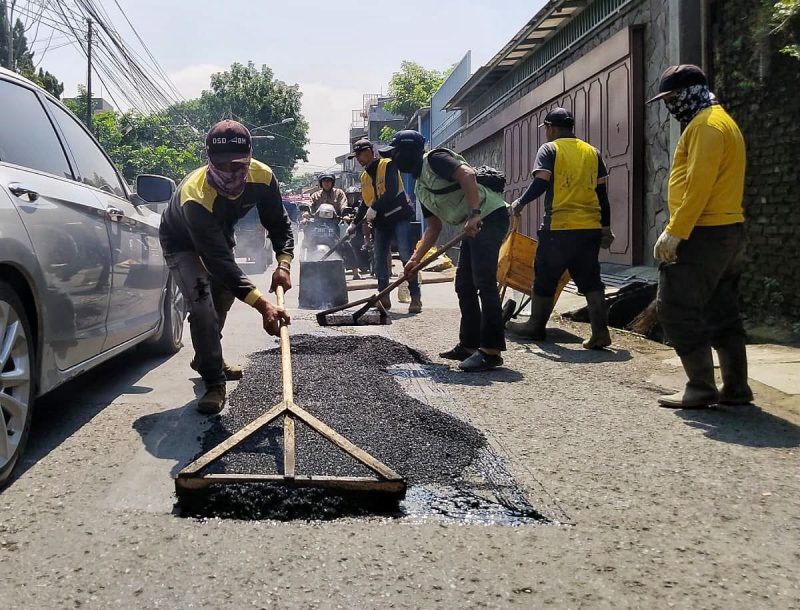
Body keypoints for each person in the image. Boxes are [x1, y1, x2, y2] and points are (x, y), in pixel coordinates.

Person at [159, 120, 293, 415]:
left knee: (223, 299)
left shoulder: (263, 177)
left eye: (237, 166)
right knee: (202, 303)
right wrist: (263, 306)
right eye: (221, 166)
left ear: (249, 158)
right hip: (181, 241)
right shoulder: (195, 195)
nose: (229, 174)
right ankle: (213, 383)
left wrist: (283, 263)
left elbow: (278, 222)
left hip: (218, 234)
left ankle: (208, 356)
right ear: (209, 160)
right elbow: (219, 263)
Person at [647, 64, 751, 408]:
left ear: (690, 92)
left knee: (675, 307)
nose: (670, 105)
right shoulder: (721, 122)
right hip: (727, 230)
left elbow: (699, 185)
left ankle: (700, 387)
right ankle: (736, 388)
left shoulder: (706, 126)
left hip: (703, 233)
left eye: (672, 97)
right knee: (722, 310)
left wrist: (675, 232)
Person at [386, 130, 508, 372]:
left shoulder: (435, 159)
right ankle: (469, 344)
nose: (395, 161)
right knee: (464, 285)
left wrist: (474, 213)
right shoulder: (420, 188)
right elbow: (433, 228)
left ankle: (491, 351)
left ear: (409, 151)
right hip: (473, 226)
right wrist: (413, 260)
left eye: (396, 154)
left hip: (489, 216)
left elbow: (467, 174)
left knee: (484, 281)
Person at [507, 108, 615, 349]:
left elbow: (541, 182)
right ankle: (600, 332)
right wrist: (605, 229)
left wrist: (520, 202)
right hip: (589, 229)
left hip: (559, 228)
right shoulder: (592, 152)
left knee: (545, 276)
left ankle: (535, 326)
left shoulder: (550, 149)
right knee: (591, 280)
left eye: (546, 129)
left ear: (551, 128)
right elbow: (602, 195)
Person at [346, 138, 421, 313]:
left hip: (399, 216)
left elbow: (392, 190)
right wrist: (354, 224)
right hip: (381, 222)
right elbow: (365, 203)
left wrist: (375, 208)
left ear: (370, 152)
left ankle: (415, 296)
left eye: (360, 154)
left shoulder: (387, 165)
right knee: (379, 258)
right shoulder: (364, 177)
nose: (358, 159)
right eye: (356, 156)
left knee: (405, 254)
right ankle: (383, 297)